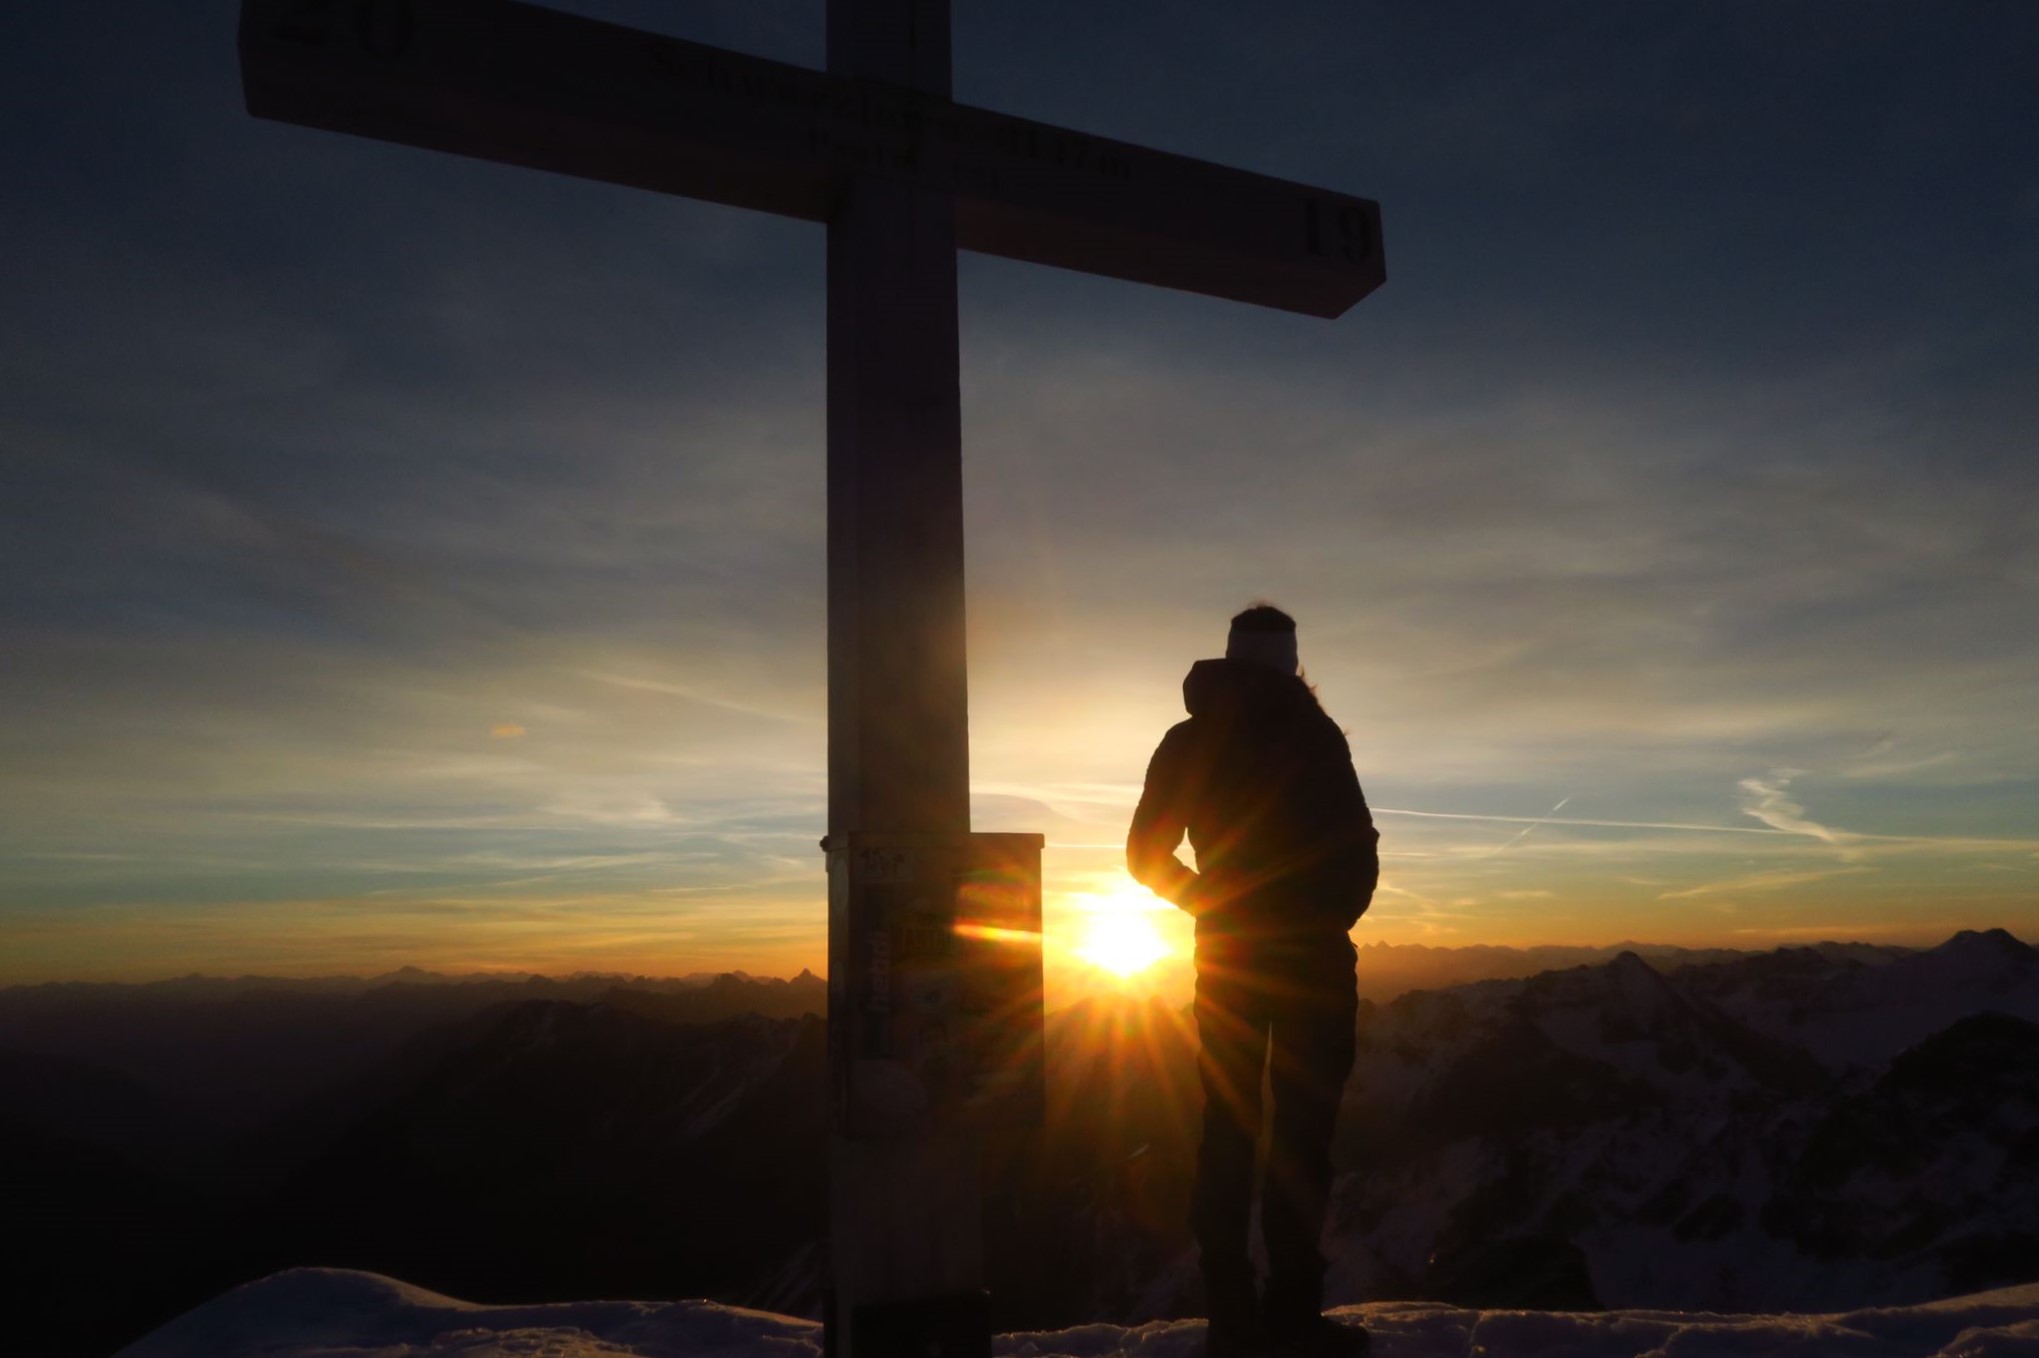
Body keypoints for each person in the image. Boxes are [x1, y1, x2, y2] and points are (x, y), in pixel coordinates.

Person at [1127, 604, 1379, 1358]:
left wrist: (1214, 902)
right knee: (1303, 1140)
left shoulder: (1189, 740)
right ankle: (1293, 1319)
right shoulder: (1315, 735)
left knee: (1227, 1129)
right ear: (1289, 662)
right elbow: (1358, 846)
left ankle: (1231, 1320)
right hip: (1313, 966)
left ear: (1232, 659)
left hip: (1231, 958)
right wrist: (1327, 919)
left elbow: (1144, 855)